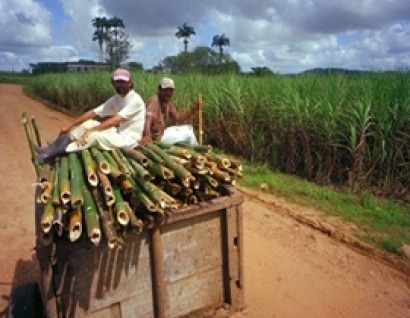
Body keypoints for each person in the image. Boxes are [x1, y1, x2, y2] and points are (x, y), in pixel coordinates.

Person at [36, 68, 146, 164]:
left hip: (128, 139)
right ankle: (50, 149)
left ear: (130, 83)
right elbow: (94, 112)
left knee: (93, 136)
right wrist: (70, 125)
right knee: (88, 124)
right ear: (113, 83)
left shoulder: (135, 100)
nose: (120, 85)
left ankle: (48, 156)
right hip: (118, 132)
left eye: (123, 82)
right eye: (118, 82)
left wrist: (92, 131)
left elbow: (116, 120)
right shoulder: (117, 98)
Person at [141, 77, 202, 146]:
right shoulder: (154, 100)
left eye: (170, 91)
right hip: (156, 138)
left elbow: (178, 118)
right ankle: (198, 149)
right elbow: (148, 118)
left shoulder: (167, 103)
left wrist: (193, 109)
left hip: (161, 133)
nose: (168, 93)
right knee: (189, 133)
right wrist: (147, 135)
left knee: (188, 128)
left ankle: (194, 148)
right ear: (159, 89)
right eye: (166, 90)